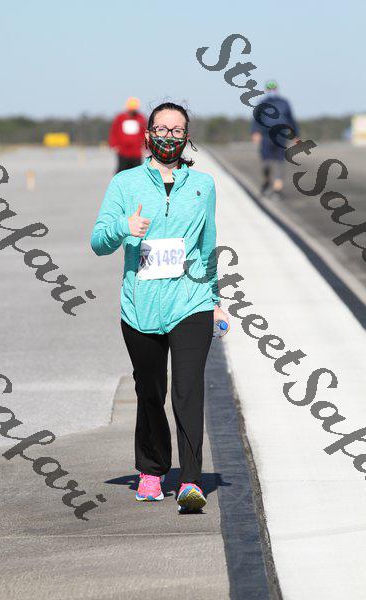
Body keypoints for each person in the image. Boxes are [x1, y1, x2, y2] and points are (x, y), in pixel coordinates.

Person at [91, 101, 230, 513]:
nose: (169, 136)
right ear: (148, 133)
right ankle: (152, 470)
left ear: (187, 136)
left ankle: (190, 481)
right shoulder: (125, 184)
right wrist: (124, 227)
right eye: (162, 129)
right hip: (141, 307)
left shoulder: (203, 185)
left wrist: (215, 300)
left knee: (188, 391)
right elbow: (98, 242)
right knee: (150, 391)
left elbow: (208, 247)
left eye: (177, 129)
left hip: (191, 302)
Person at [251, 80, 299, 198]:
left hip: (281, 136)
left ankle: (277, 190)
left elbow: (291, 119)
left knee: (279, 162)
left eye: (273, 88)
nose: (272, 91)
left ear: (277, 89)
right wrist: (255, 132)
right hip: (266, 136)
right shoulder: (262, 103)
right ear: (266, 90)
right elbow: (256, 119)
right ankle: (266, 182)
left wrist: (295, 135)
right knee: (266, 163)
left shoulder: (284, 103)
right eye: (270, 89)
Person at [108, 97, 147, 173]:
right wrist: (113, 145)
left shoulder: (141, 118)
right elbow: (114, 132)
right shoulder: (120, 118)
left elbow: (144, 132)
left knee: (137, 172)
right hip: (123, 151)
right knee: (121, 171)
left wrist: (145, 145)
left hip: (136, 152)